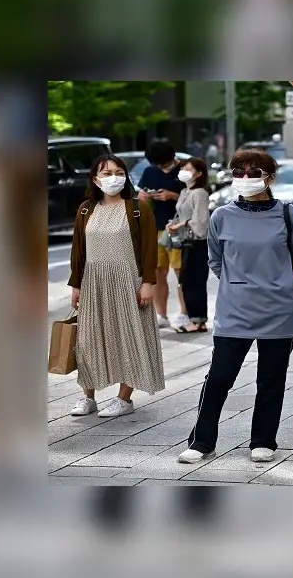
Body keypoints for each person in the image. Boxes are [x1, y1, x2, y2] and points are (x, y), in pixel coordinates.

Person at [178, 149, 293, 465]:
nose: (245, 178)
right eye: (238, 172)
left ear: (270, 177)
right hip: (234, 310)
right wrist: (236, 287)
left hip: (279, 312)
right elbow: (215, 259)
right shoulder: (221, 215)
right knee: (219, 377)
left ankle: (264, 440)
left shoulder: (288, 214)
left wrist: (287, 293)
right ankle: (202, 442)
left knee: (271, 378)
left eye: (254, 172)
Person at [68, 155, 165, 418]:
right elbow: (78, 251)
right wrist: (76, 284)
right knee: (87, 341)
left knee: (130, 337)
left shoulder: (137, 208)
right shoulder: (86, 209)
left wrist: (147, 283)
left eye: (118, 172)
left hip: (128, 281)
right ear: (95, 179)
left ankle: (124, 398)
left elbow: (149, 250)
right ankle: (87, 396)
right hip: (93, 281)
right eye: (107, 173)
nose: (114, 178)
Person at [137, 141, 185, 329]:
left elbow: (198, 196)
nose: (161, 168)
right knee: (158, 271)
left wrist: (172, 196)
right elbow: (140, 192)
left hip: (178, 227)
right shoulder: (150, 172)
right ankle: (161, 314)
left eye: (164, 164)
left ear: (172, 158)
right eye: (158, 164)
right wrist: (143, 196)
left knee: (181, 272)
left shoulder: (185, 171)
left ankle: (185, 313)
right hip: (154, 227)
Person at [167, 157, 211, 333]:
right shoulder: (186, 192)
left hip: (197, 242)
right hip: (186, 241)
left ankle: (198, 319)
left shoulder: (200, 193)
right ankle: (196, 320)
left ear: (199, 174)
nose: (184, 171)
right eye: (183, 167)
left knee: (195, 281)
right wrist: (174, 223)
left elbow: (201, 221)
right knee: (186, 281)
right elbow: (183, 214)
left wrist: (182, 225)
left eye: (190, 169)